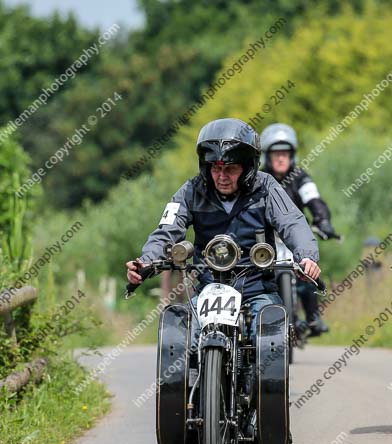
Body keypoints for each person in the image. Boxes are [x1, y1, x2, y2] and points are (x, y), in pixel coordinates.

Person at [126, 118, 321, 341]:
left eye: (230, 168)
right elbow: (167, 229)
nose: (222, 176)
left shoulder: (266, 187)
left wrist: (307, 257)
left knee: (272, 338)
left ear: (247, 167)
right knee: (178, 335)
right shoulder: (191, 190)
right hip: (209, 288)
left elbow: (293, 222)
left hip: (257, 290)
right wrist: (147, 261)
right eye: (215, 168)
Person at [260, 123, 338, 335]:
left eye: (285, 153)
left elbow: (315, 200)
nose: (280, 158)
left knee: (307, 270)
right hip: (266, 241)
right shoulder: (258, 180)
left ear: (292, 155)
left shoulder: (301, 177)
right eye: (276, 154)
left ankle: (313, 317)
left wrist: (323, 221)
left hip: (295, 238)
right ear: (267, 156)